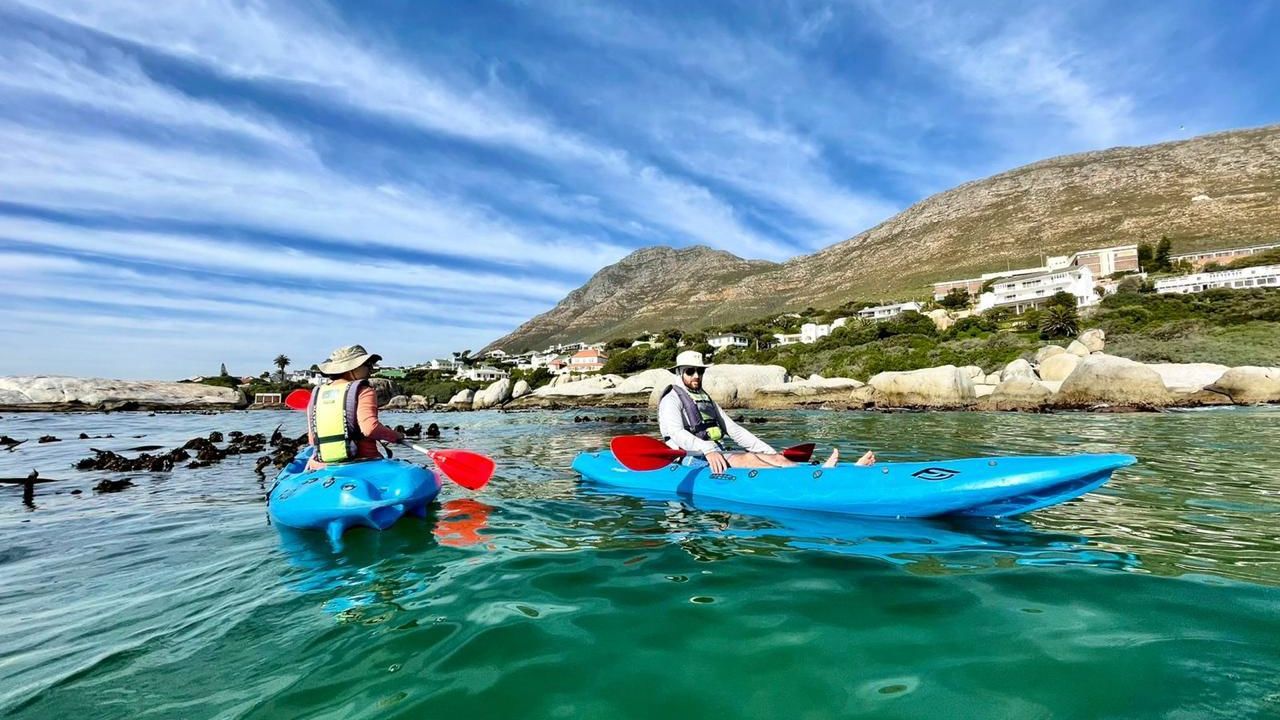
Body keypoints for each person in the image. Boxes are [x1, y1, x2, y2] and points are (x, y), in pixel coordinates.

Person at [657, 351, 875, 473]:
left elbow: (734, 430)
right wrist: (707, 450)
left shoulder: (705, 398)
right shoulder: (671, 400)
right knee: (751, 460)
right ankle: (819, 478)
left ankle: (826, 474)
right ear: (679, 372)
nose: (696, 375)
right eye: (690, 372)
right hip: (689, 459)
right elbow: (677, 434)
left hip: (715, 452)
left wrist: (771, 452)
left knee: (773, 459)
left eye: (700, 371)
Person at [305, 344, 403, 470]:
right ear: (352, 368)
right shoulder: (364, 390)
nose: (371, 369)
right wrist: (395, 436)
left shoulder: (317, 393)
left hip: (322, 466)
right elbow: (370, 428)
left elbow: (312, 439)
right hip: (362, 465)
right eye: (367, 364)